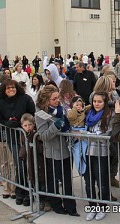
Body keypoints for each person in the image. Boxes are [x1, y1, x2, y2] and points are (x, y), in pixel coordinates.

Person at [35, 85, 79, 216]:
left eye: (57, 97)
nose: (57, 100)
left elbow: (67, 125)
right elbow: (43, 135)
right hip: (52, 152)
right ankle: (56, 205)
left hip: (65, 149)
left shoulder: (61, 109)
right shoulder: (40, 113)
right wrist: (55, 126)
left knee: (67, 181)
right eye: (54, 99)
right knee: (53, 181)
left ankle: (71, 208)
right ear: (47, 100)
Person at [0, 79, 35, 204]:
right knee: (19, 164)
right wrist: (7, 123)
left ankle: (30, 192)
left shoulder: (25, 98)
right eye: (8, 88)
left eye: (13, 87)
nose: (11, 90)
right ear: (4, 90)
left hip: (26, 137)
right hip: (12, 137)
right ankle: (20, 191)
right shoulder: (0, 103)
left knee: (28, 165)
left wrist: (20, 123)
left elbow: (32, 114)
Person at [83, 91, 114, 221]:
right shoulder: (89, 113)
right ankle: (92, 206)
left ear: (105, 102)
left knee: (102, 181)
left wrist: (94, 137)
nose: (96, 104)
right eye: (95, 101)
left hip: (102, 152)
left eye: (99, 101)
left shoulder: (109, 114)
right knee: (89, 181)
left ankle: (102, 207)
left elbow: (109, 133)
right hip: (88, 152)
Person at [18, 113, 46, 208]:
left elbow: (40, 149)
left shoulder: (36, 135)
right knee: (33, 182)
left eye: (30, 125)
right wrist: (21, 155)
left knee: (42, 183)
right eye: (25, 125)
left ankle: (43, 201)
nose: (28, 127)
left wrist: (32, 138)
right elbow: (23, 147)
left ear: (34, 125)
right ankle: (35, 198)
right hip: (29, 163)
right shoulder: (23, 135)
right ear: (22, 126)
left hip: (39, 163)